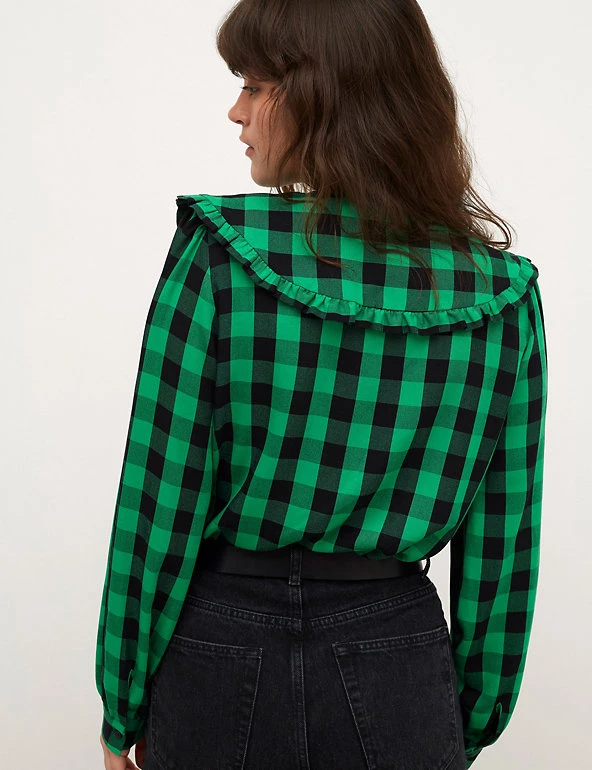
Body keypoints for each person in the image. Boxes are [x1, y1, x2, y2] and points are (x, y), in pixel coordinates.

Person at [96, 1, 548, 768]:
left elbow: (160, 498)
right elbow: (504, 545)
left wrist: (122, 700)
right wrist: (462, 714)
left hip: (218, 647)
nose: (235, 111)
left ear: (322, 94)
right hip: (398, 653)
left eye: (254, 86)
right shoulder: (500, 294)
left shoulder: (220, 254)